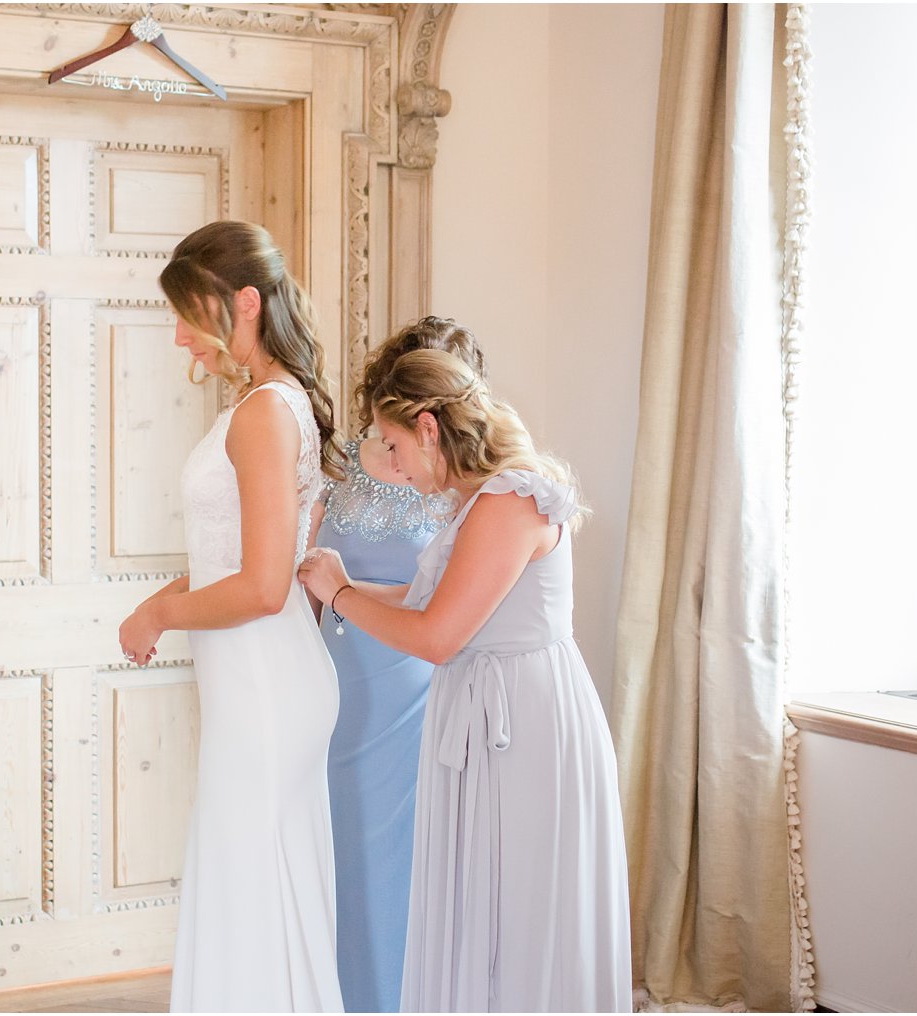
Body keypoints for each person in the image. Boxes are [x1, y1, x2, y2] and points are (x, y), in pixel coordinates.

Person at [298, 349, 631, 1013]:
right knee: (485, 901)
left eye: (394, 445)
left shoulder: (509, 501)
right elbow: (426, 604)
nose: (392, 465)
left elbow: (437, 638)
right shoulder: (476, 501)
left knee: (522, 904)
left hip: (525, 724)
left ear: (427, 427)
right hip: (487, 712)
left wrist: (340, 597)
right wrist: (341, 584)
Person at [118, 220, 345, 1013]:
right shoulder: (267, 405)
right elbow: (246, 555)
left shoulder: (262, 414)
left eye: (190, 314)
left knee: (249, 883)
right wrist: (160, 600)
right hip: (264, 680)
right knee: (255, 885)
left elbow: (261, 586)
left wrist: (163, 617)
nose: (180, 335)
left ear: (244, 302)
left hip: (266, 684)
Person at [306, 317, 484, 1013]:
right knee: (338, 854)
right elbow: (307, 573)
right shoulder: (344, 462)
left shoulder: (460, 486)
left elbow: (454, 599)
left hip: (414, 688)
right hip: (335, 684)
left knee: (403, 863)